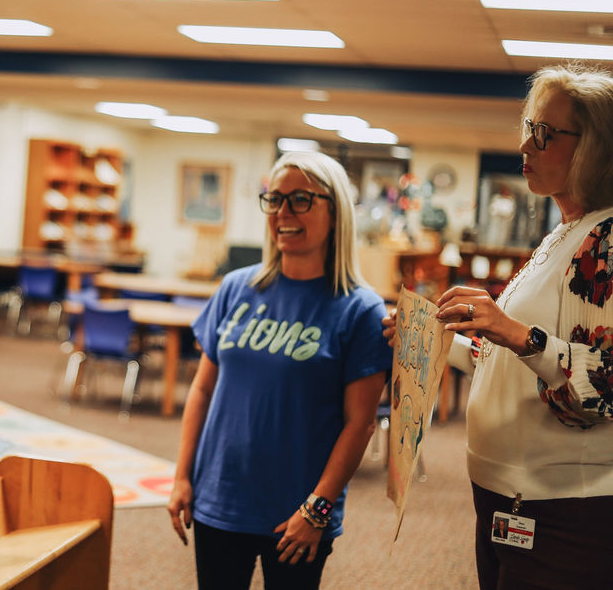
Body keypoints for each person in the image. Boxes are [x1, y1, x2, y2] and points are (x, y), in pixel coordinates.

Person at [383, 64, 613, 589]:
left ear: (596, 147)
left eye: (544, 134)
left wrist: (513, 331)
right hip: (511, 492)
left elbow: (604, 385)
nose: (526, 148)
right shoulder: (566, 234)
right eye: (528, 131)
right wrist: (441, 341)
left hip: (562, 505)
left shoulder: (606, 241)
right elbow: (513, 360)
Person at [168, 151, 392, 589]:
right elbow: (201, 390)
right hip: (220, 499)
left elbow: (360, 423)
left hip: (299, 512)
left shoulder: (359, 308)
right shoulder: (237, 287)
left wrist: (318, 509)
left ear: (335, 210)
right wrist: (182, 476)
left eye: (300, 200)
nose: (283, 212)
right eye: (273, 199)